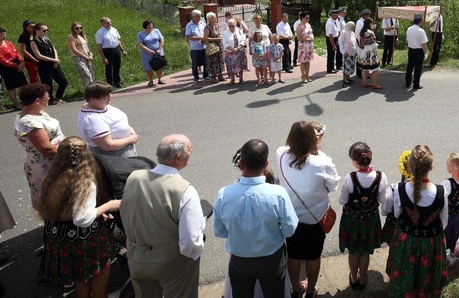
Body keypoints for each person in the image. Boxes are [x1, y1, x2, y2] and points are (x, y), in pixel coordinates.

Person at [121, 134, 205, 298]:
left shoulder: (133, 177)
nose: (191, 153)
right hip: (170, 263)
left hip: (137, 258)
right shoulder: (184, 190)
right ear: (178, 157)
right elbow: (190, 243)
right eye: (190, 150)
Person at [37, 137, 122, 298]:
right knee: (100, 267)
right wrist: (108, 206)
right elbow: (82, 219)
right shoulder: (85, 182)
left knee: (80, 273)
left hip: (60, 233)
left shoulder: (51, 175)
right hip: (82, 236)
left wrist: (94, 209)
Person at [213, 139, 298, 298]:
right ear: (266, 164)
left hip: (239, 261)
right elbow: (289, 229)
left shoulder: (224, 194)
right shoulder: (278, 194)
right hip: (271, 259)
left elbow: (219, 231)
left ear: (242, 163)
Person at [277, 121, 340, 298]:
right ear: (314, 139)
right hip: (315, 217)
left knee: (294, 254)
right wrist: (316, 146)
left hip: (291, 215)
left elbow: (288, 148)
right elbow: (333, 185)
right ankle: (311, 289)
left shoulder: (281, 154)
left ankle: (296, 288)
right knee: (313, 255)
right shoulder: (322, 162)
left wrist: (308, 139)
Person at [385, 145, 449, 297]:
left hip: (406, 241)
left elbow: (397, 213)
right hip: (431, 243)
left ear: (409, 166)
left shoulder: (400, 189)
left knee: (405, 273)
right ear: (432, 167)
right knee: (427, 277)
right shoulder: (441, 192)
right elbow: (443, 221)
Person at [337, 142, 388, 291]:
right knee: (364, 250)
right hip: (370, 220)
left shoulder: (349, 178)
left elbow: (342, 201)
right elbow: (382, 199)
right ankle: (363, 277)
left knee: (353, 250)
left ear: (355, 162)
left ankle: (354, 277)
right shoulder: (380, 176)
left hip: (352, 220)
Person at [13, 83, 65, 209]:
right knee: (53, 198)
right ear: (37, 101)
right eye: (46, 96)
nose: (49, 97)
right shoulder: (29, 122)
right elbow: (46, 149)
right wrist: (72, 154)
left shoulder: (39, 113)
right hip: (45, 164)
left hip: (55, 159)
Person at [77, 81, 139, 158]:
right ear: (92, 99)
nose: (110, 97)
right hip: (114, 157)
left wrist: (130, 131)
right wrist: (131, 139)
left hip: (123, 152)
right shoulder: (92, 119)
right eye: (105, 96)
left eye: (109, 94)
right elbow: (107, 145)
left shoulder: (100, 106)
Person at [0, 26, 27, 110]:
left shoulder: (8, 42)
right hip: (7, 68)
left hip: (17, 64)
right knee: (11, 86)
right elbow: (3, 60)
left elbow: (16, 52)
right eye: (1, 35)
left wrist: (21, 62)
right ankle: (16, 104)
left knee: (23, 84)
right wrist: (16, 66)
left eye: (4, 34)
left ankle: (25, 101)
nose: (4, 36)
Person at [30, 23, 68, 104]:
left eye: (47, 30)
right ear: (37, 31)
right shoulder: (34, 42)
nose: (46, 32)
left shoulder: (46, 39)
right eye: (44, 30)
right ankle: (51, 99)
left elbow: (53, 48)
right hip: (44, 65)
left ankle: (58, 98)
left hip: (54, 64)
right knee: (48, 84)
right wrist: (52, 60)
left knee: (63, 81)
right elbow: (38, 56)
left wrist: (56, 59)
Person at [95, 17, 127, 88]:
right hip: (107, 51)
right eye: (107, 23)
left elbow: (118, 41)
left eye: (110, 22)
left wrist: (122, 50)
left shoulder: (114, 29)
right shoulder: (100, 33)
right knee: (109, 68)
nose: (109, 24)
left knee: (117, 67)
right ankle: (110, 84)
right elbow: (99, 46)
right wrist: (103, 57)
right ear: (102, 23)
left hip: (116, 49)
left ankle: (117, 82)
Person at [137, 19, 165, 87]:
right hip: (147, 53)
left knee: (160, 65)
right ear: (145, 26)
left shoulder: (156, 31)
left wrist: (160, 49)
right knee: (148, 67)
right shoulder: (140, 34)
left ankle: (160, 79)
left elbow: (162, 39)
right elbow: (140, 44)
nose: (151, 26)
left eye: (152, 25)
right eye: (149, 25)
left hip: (158, 51)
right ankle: (151, 81)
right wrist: (149, 51)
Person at [356, 18, 383, 90]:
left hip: (363, 54)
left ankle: (365, 83)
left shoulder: (362, 32)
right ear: (369, 24)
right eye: (371, 23)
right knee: (375, 69)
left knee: (364, 69)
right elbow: (374, 43)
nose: (372, 25)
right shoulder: (371, 33)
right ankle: (375, 84)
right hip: (371, 54)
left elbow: (361, 43)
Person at [67, 22, 95, 87]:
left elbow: (88, 47)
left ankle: (93, 92)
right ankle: (88, 93)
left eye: (80, 28)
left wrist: (90, 55)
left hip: (87, 57)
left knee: (91, 75)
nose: (79, 29)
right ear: (73, 29)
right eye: (77, 28)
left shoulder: (82, 36)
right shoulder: (71, 37)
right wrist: (85, 57)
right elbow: (74, 50)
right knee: (86, 76)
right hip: (79, 58)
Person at [185, 10, 209, 83]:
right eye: (198, 16)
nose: (200, 17)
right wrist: (200, 38)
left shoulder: (203, 23)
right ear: (193, 17)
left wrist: (204, 39)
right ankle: (196, 77)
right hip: (195, 48)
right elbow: (189, 37)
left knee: (205, 62)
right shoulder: (189, 25)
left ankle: (206, 75)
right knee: (194, 64)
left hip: (203, 46)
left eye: (200, 15)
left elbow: (206, 33)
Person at [405, 15, 428, 90]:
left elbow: (407, 39)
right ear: (420, 22)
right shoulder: (421, 31)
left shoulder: (409, 29)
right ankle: (416, 84)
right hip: (418, 50)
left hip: (411, 49)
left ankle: (407, 82)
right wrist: (425, 53)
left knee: (410, 67)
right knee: (418, 68)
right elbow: (424, 44)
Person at [203, 12, 225, 83]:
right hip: (212, 47)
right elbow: (205, 38)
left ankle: (220, 75)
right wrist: (216, 39)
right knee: (213, 61)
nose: (215, 19)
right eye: (213, 18)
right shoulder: (207, 27)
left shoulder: (217, 26)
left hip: (219, 46)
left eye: (215, 17)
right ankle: (213, 77)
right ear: (209, 19)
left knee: (220, 60)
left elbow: (220, 33)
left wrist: (220, 36)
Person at [222, 18, 245, 84]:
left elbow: (243, 40)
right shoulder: (225, 33)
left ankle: (241, 79)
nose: (231, 27)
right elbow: (224, 43)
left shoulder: (240, 31)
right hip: (229, 52)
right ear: (227, 26)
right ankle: (232, 80)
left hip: (239, 51)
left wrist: (238, 48)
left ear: (235, 25)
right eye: (230, 26)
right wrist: (233, 49)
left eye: (233, 25)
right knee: (231, 66)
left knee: (240, 65)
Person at [295, 11, 314, 84]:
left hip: (309, 46)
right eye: (306, 18)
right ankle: (303, 75)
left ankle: (307, 75)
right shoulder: (299, 27)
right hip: (303, 46)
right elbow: (298, 38)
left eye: (308, 17)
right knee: (303, 62)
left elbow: (311, 33)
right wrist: (306, 39)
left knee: (308, 61)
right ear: (302, 18)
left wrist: (312, 38)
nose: (308, 19)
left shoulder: (308, 25)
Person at [341, 21, 357, 87]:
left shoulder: (352, 33)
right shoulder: (344, 32)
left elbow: (355, 42)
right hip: (346, 52)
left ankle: (348, 77)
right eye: (351, 26)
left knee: (351, 66)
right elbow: (340, 42)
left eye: (353, 26)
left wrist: (356, 51)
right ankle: (345, 79)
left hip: (352, 52)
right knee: (346, 66)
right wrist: (343, 51)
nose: (352, 28)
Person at [325, 9, 341, 74]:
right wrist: (333, 45)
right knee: (331, 54)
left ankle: (332, 67)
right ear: (333, 15)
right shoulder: (330, 23)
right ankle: (330, 69)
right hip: (331, 39)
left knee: (333, 53)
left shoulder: (334, 21)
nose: (337, 16)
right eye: (336, 15)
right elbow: (330, 35)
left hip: (335, 38)